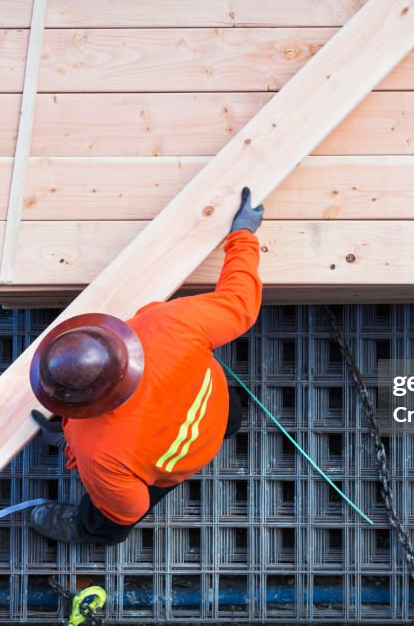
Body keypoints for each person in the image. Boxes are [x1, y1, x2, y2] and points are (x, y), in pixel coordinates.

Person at [26, 187, 264, 544]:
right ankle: (230, 425)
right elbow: (240, 301)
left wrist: (72, 448)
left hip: (174, 465)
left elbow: (131, 506)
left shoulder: (96, 449)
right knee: (228, 411)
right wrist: (242, 235)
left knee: (109, 516)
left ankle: (84, 530)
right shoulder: (170, 323)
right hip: (215, 416)